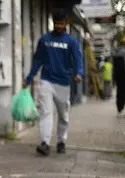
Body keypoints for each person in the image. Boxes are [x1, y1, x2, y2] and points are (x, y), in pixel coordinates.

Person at [22, 9, 84, 156]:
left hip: (63, 83)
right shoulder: (45, 40)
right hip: (46, 81)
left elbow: (78, 59)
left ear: (66, 23)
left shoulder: (71, 41)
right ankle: (44, 143)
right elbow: (37, 61)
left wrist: (79, 73)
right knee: (46, 112)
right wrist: (29, 78)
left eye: (61, 24)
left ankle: (61, 141)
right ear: (53, 22)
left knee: (63, 116)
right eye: (57, 23)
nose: (59, 26)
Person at [113, 40, 125, 118]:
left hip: (117, 75)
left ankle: (119, 110)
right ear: (124, 45)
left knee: (119, 92)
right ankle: (121, 110)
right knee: (124, 92)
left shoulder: (115, 52)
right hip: (123, 74)